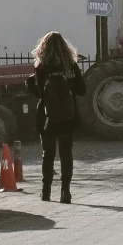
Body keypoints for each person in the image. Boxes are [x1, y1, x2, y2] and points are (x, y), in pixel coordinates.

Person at [29, 30, 86, 204]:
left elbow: (39, 93)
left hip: (47, 117)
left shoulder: (41, 67)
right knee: (66, 154)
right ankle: (65, 192)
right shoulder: (70, 66)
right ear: (64, 46)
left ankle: (46, 192)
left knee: (48, 154)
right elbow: (82, 90)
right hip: (68, 117)